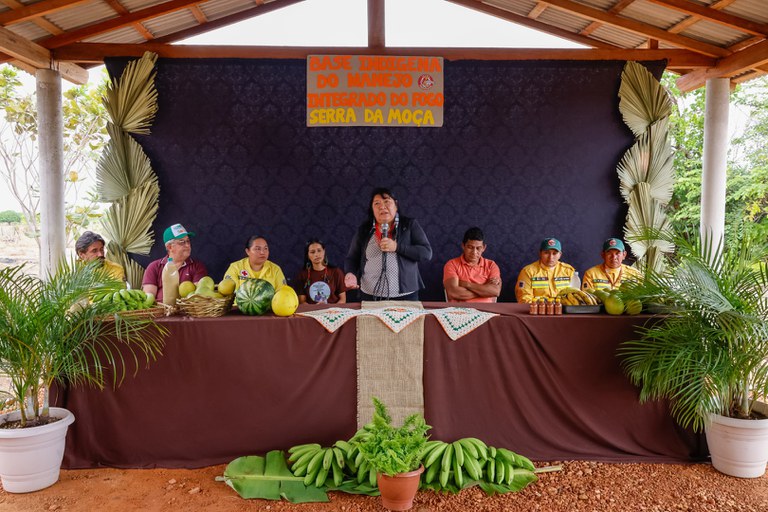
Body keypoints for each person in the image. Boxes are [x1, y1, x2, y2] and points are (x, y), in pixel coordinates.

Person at [345, 187, 432, 301]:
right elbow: (352, 258)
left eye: (387, 202)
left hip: (405, 296)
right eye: (377, 203)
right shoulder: (364, 230)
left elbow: (426, 253)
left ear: (396, 205)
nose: (382, 206)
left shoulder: (409, 225)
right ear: (372, 208)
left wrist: (397, 247)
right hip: (370, 294)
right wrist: (350, 273)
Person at [142, 223, 208, 302]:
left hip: (188, 312)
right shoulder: (154, 267)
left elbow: (199, 296)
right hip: (160, 311)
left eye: (188, 241)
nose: (187, 245)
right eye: (182, 242)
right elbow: (148, 298)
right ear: (170, 247)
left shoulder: (197, 266)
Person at [443, 227, 501, 302]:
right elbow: (453, 293)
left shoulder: (491, 265)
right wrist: (485, 290)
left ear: (484, 248)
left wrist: (466, 284)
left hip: (486, 311)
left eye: (478, 248)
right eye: (470, 247)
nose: (474, 252)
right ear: (463, 246)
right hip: (459, 311)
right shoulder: (451, 264)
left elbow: (495, 291)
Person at [515, 237, 575, 303]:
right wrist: (546, 306)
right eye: (546, 253)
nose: (550, 257)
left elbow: (575, 296)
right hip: (537, 311)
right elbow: (524, 298)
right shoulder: (528, 271)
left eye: (554, 253)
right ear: (540, 253)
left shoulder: (569, 271)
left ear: (560, 255)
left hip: (563, 311)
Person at [293, 238, 347, 304]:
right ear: (308, 255)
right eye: (312, 252)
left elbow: (342, 299)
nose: (316, 254)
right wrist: (315, 309)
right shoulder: (302, 275)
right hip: (311, 312)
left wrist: (331, 310)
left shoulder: (336, 272)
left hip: (333, 312)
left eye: (319, 250)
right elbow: (302, 302)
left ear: (324, 251)